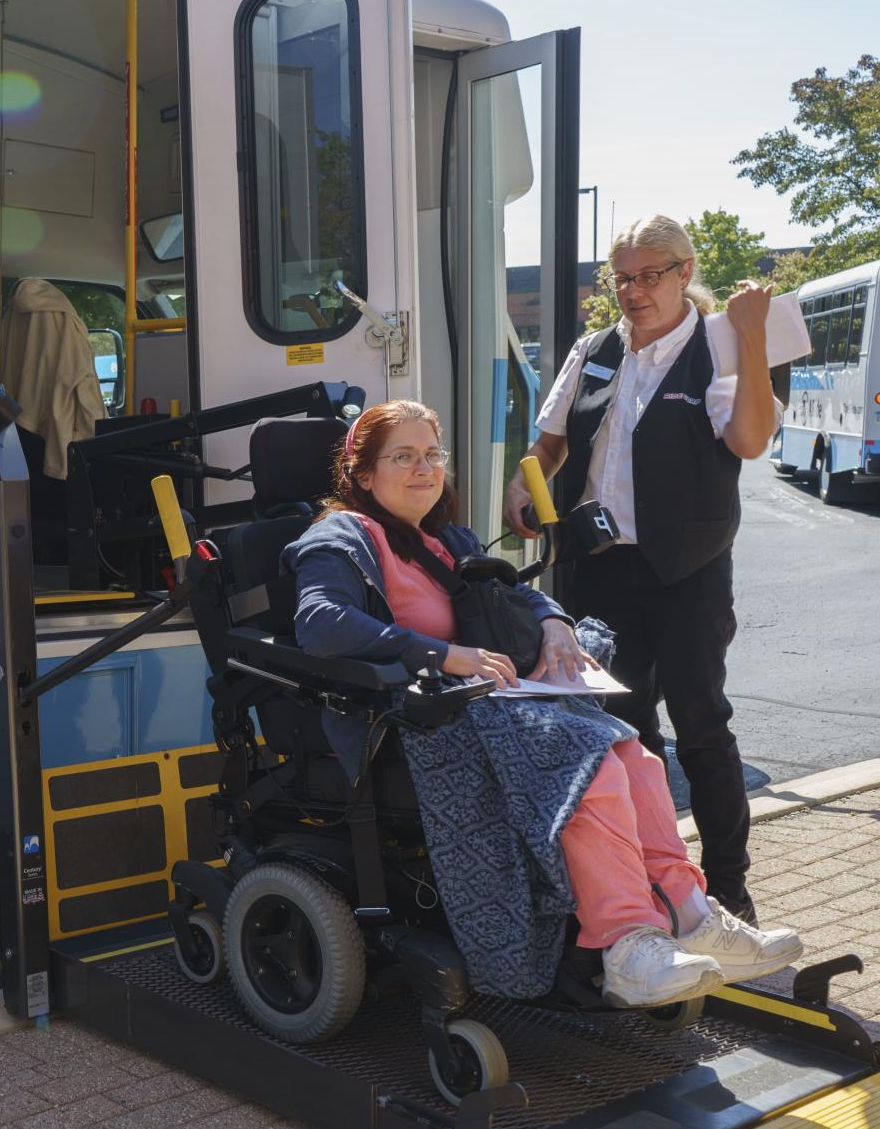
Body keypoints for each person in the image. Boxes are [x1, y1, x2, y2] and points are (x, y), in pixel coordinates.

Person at [285, 400, 801, 1007]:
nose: (423, 468)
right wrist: (441, 655)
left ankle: (688, 912)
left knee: (637, 759)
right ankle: (628, 940)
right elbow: (320, 623)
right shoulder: (339, 536)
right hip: (410, 721)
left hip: (484, 705)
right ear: (363, 473)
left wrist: (555, 622)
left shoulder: (445, 539)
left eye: (432, 454)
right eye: (402, 456)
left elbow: (509, 596)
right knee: (590, 767)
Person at [503, 215, 780, 924]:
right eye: (622, 278)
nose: (633, 291)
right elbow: (551, 444)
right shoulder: (595, 350)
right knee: (620, 732)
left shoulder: (717, 347)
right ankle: (648, 884)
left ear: (685, 273)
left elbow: (749, 439)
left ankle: (728, 890)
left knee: (701, 725)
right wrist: (523, 484)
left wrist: (751, 335)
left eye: (648, 275)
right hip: (599, 571)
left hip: (688, 571)